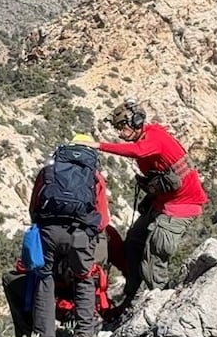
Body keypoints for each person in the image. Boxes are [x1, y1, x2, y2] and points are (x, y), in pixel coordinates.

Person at [79, 98, 208, 307]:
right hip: (163, 203)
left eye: (122, 127)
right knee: (133, 242)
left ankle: (161, 302)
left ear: (136, 122)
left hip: (181, 208)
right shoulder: (148, 135)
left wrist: (97, 145)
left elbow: (138, 151)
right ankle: (131, 295)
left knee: (154, 254)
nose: (120, 132)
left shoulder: (154, 138)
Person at [26, 134, 111, 337]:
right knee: (84, 280)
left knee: (45, 281)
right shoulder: (94, 176)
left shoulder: (48, 171)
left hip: (48, 231)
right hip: (80, 235)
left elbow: (34, 207)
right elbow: (103, 219)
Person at [1, 224, 127, 337]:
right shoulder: (104, 232)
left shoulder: (47, 230)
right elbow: (126, 266)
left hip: (55, 306)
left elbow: (26, 265)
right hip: (93, 308)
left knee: (10, 279)